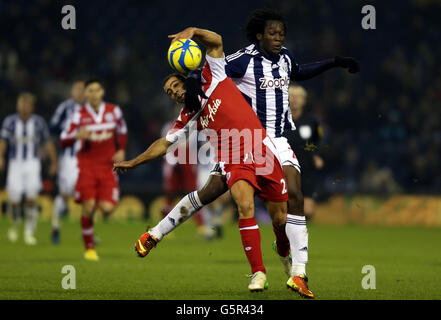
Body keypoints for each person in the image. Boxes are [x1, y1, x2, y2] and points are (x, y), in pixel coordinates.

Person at [114, 27, 292, 293]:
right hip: (233, 156)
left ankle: (284, 252)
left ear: (185, 80)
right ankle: (258, 273)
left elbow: (217, 41)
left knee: (279, 219)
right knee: (244, 205)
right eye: (168, 92)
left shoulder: (214, 76)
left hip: (261, 147)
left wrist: (193, 32)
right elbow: (164, 144)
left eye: (175, 85)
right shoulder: (188, 116)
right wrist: (135, 161)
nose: (172, 92)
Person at [60, 78, 127, 261]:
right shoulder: (78, 115)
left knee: (107, 208)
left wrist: (120, 149)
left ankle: (92, 208)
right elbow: (63, 138)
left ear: (102, 92)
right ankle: (89, 247)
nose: (94, 94)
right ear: (85, 94)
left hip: (108, 167)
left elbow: (122, 131)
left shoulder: (114, 111)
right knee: (88, 206)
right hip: (87, 166)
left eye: (97, 90)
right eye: (90, 90)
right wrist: (76, 135)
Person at [0, 92, 57, 245]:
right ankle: (14, 225)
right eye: (21, 103)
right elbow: (3, 141)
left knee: (32, 198)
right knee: (14, 199)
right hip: (15, 163)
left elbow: (47, 142)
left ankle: (29, 232)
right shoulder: (10, 121)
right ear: (17, 105)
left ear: (32, 107)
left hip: (32, 163)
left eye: (27, 104)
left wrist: (54, 162)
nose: (24, 107)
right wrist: (0, 157)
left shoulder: (38, 122)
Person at [49, 79, 85, 244]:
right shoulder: (65, 108)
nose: (79, 92)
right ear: (72, 91)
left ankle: (87, 233)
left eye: (82, 90)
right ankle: (55, 227)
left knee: (88, 195)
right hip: (68, 159)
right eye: (76, 89)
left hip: (86, 160)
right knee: (64, 195)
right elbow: (53, 128)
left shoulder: (92, 110)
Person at [284, 85, 325, 220]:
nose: (295, 100)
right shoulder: (280, 119)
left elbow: (318, 141)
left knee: (307, 210)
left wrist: (317, 155)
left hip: (306, 169)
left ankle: (304, 237)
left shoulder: (312, 121)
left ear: (304, 101)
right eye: (292, 96)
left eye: (298, 97)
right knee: (288, 208)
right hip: (285, 168)